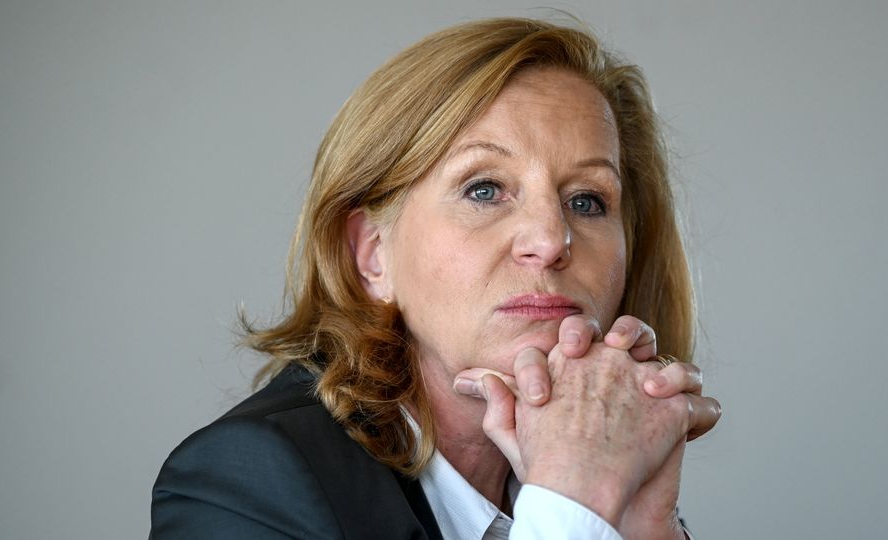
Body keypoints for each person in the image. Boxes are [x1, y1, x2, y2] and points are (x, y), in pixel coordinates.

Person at [151, 17, 721, 540]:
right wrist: (573, 503)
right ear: (374, 255)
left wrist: (642, 528)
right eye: (484, 190)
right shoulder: (247, 483)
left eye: (587, 201)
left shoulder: (609, 483)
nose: (551, 240)